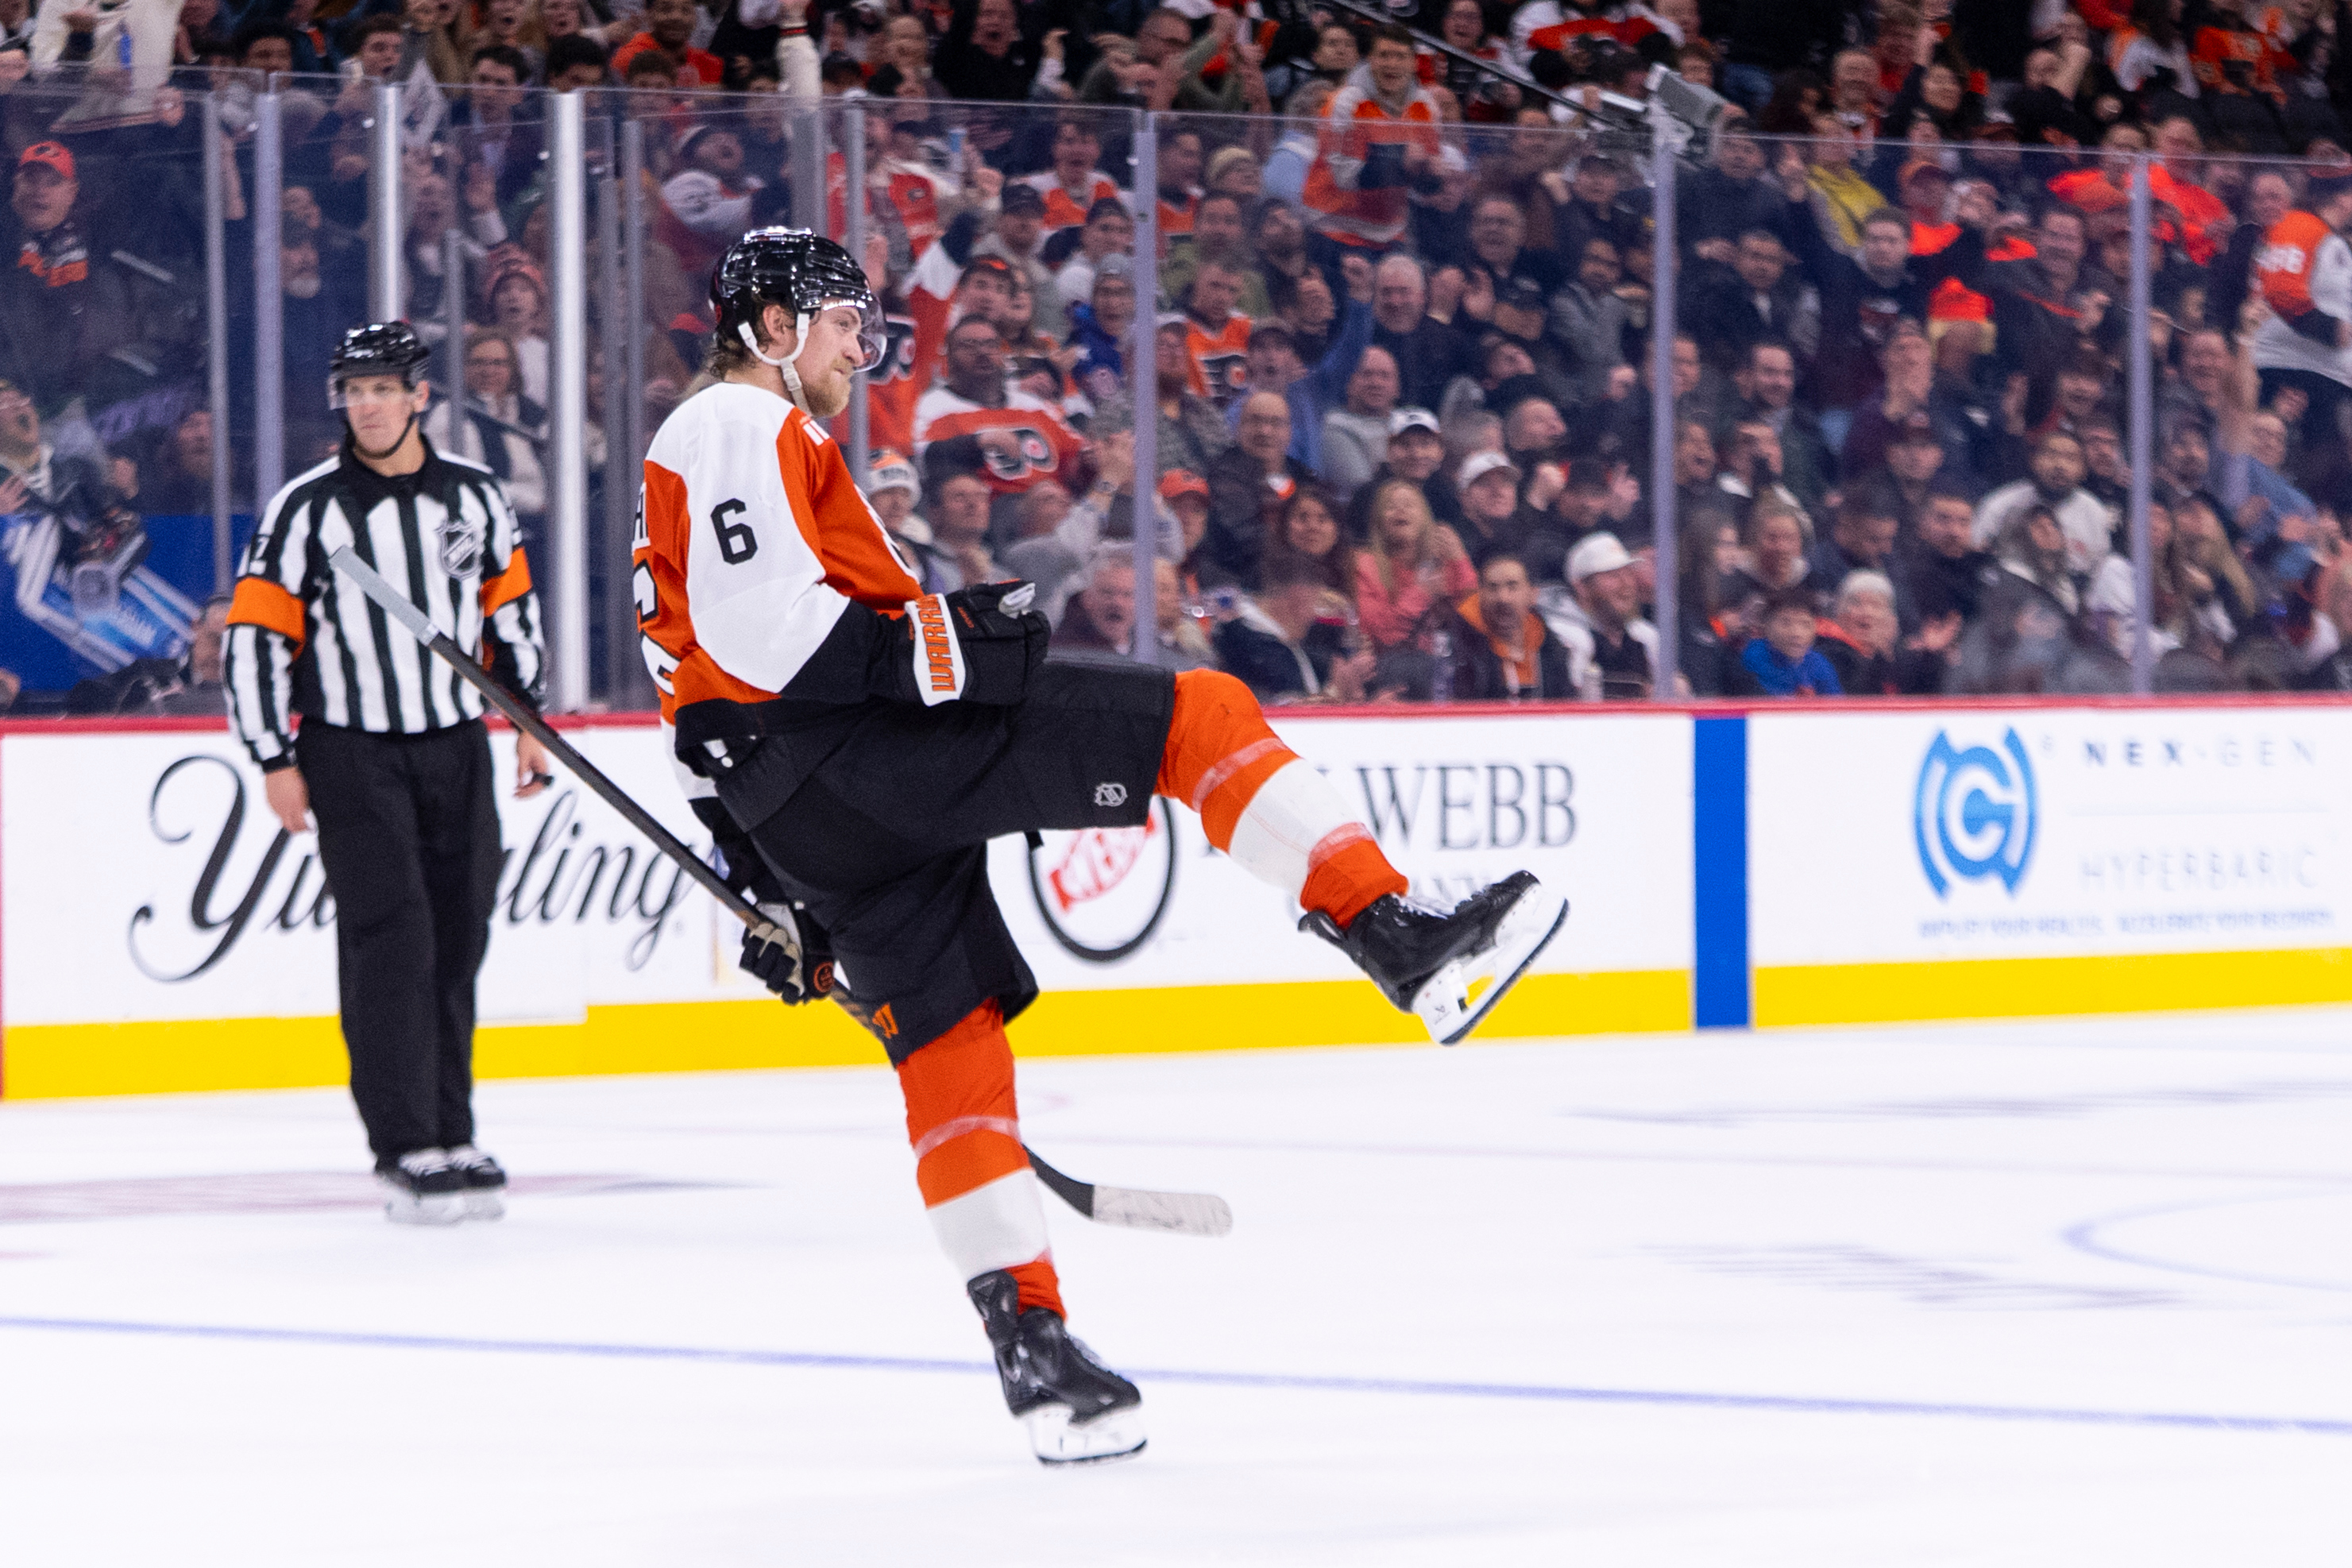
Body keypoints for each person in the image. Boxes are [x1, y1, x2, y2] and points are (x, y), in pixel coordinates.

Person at [632, 230, 1565, 1468]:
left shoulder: (706, 457)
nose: (861, 338)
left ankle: (1035, 1348)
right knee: (1201, 715)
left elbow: (695, 708)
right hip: (858, 750)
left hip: (802, 803)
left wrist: (764, 880)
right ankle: (1394, 936)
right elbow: (769, 640)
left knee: (951, 1041)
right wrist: (964, 643)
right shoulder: (734, 426)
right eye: (837, 315)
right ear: (763, 328)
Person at [223, 322, 551, 1226]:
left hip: (455, 745)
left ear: (420, 397)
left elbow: (510, 614)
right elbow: (256, 637)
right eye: (351, 390)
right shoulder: (305, 509)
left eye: (381, 388)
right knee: (393, 936)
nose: (365, 404)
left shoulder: (477, 499)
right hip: (350, 750)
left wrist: (530, 724)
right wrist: (271, 756)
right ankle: (404, 1142)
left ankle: (454, 1128)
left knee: (458, 933)